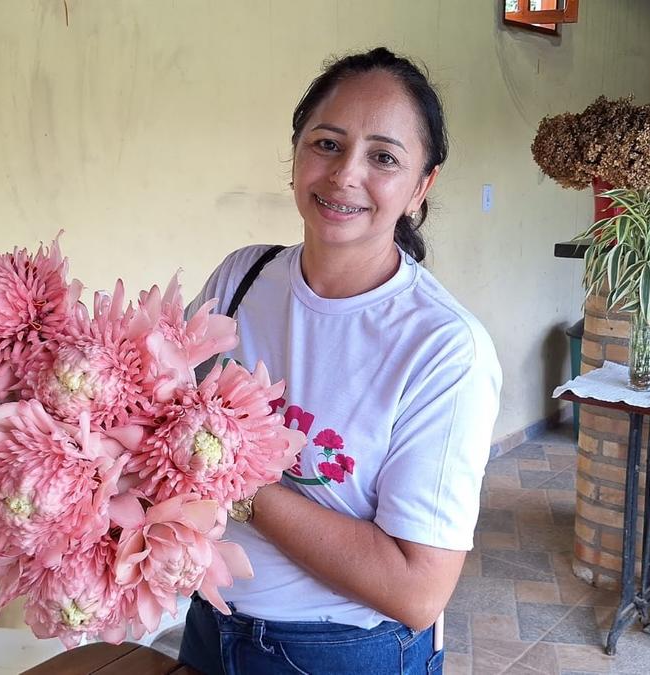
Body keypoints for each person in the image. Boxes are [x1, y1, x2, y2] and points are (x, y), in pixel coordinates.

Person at [178, 47, 502, 675]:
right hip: (210, 619)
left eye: (384, 157)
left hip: (336, 652)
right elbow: (163, 411)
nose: (345, 174)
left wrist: (238, 482)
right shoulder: (243, 276)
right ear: (297, 152)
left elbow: (418, 590)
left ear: (421, 186)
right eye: (327, 143)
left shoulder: (442, 347)